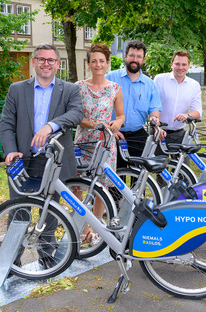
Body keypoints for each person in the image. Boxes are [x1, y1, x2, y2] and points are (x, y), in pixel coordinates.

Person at [0, 43, 83, 269]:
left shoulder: (69, 90)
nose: (46, 63)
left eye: (51, 60)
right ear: (34, 61)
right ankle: (11, 260)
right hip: (23, 160)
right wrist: (10, 151)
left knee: (51, 209)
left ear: (58, 64)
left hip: (54, 160)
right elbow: (6, 124)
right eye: (42, 59)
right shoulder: (17, 89)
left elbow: (76, 113)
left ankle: (46, 254)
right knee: (18, 209)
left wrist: (50, 126)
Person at [74, 44, 125, 246]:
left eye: (101, 61)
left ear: (107, 63)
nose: (98, 64)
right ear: (88, 64)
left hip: (105, 144)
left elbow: (121, 115)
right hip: (83, 141)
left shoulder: (115, 89)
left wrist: (117, 123)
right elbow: (76, 116)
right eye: (94, 61)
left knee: (102, 186)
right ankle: (82, 227)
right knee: (78, 186)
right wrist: (94, 124)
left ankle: (95, 227)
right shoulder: (78, 87)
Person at [105, 40, 162, 168]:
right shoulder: (110, 78)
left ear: (143, 59)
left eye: (138, 56)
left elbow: (154, 109)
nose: (134, 59)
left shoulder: (150, 84)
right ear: (125, 56)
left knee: (138, 177)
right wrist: (110, 130)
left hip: (138, 136)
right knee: (115, 179)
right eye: (131, 55)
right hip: (114, 134)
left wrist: (155, 118)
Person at [154, 50, 202, 153]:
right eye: (177, 64)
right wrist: (156, 127)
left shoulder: (194, 85)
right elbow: (152, 105)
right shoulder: (159, 79)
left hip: (179, 134)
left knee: (183, 168)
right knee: (159, 168)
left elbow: (198, 112)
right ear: (171, 64)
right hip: (158, 132)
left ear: (189, 66)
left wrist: (187, 115)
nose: (180, 67)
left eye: (184, 64)